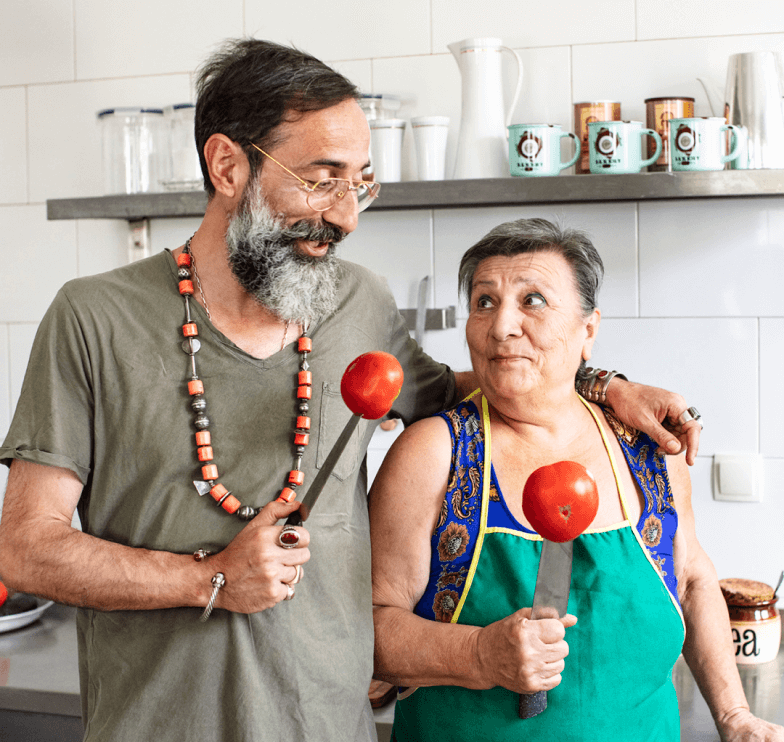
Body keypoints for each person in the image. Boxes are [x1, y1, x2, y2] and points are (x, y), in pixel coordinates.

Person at [0, 40, 700, 742]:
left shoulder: (358, 303)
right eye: (321, 178)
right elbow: (25, 548)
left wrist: (602, 384)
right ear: (227, 166)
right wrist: (207, 577)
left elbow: (475, 386)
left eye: (359, 183)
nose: (346, 216)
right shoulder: (93, 317)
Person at [370, 219, 782, 742]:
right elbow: (369, 628)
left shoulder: (646, 446)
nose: (501, 327)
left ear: (588, 330)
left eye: (533, 300)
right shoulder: (432, 454)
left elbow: (694, 578)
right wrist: (479, 656)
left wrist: (734, 717)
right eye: (484, 302)